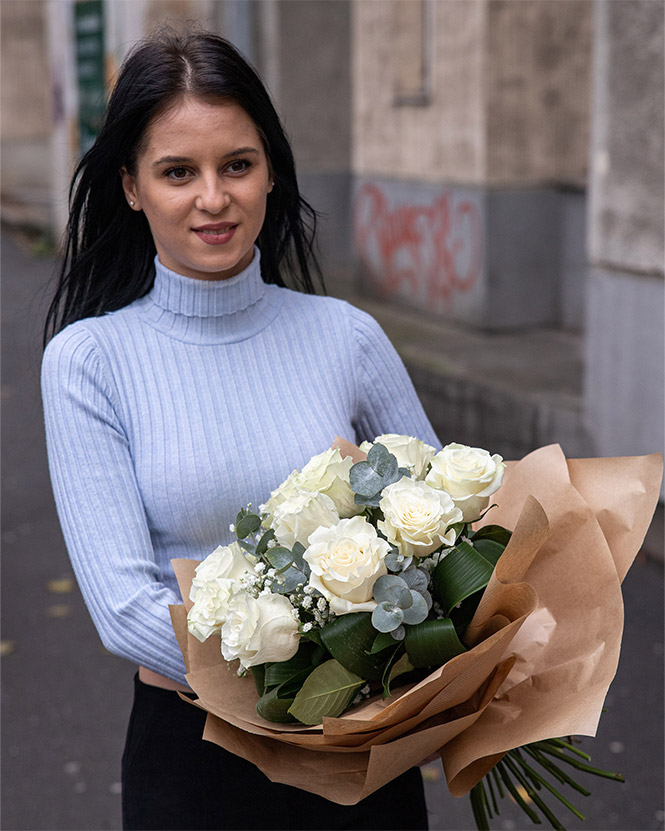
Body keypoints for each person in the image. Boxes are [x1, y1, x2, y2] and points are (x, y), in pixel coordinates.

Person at [41, 29, 439, 831]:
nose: (213, 198)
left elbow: (450, 531)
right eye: (177, 172)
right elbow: (123, 605)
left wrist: (391, 687)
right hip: (197, 757)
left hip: (359, 745)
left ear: (269, 172)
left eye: (237, 164)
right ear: (129, 186)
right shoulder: (89, 360)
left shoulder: (347, 336)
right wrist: (319, 678)